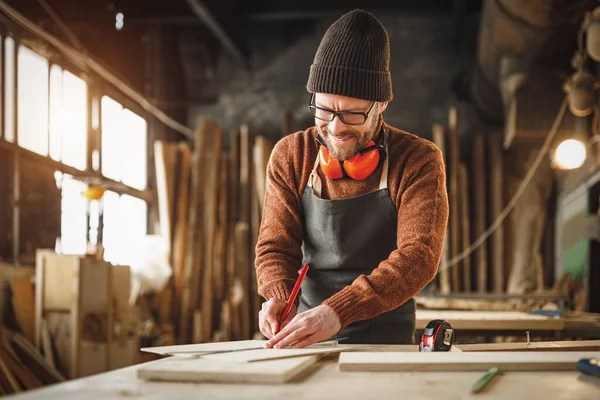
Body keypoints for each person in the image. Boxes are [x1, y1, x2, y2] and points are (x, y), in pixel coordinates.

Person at [254, 9, 449, 348]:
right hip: (306, 331)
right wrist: (278, 294)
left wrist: (340, 310)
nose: (335, 127)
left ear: (382, 103)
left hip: (385, 336)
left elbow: (420, 256)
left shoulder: (418, 159)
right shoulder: (292, 156)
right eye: (325, 110)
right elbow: (275, 246)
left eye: (352, 113)